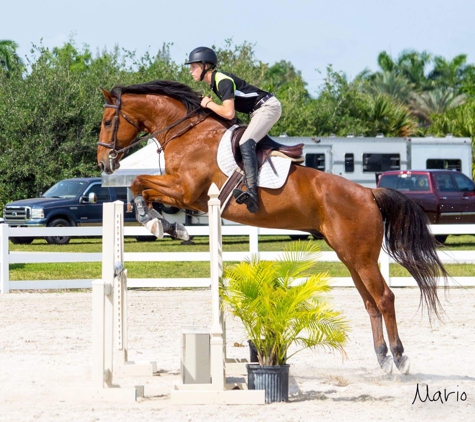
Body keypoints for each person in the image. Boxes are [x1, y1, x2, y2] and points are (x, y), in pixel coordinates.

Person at [185, 46, 282, 213]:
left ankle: (252, 191)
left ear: (205, 66)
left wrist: (208, 104)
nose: (191, 71)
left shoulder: (222, 81)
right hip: (258, 110)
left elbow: (229, 113)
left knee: (246, 142)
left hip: (267, 107)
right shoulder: (215, 83)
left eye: (194, 67)